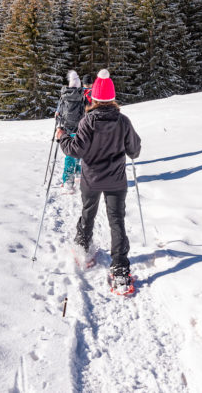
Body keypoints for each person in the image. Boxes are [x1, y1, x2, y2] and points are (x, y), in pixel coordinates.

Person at [57, 69, 141, 289]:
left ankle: (82, 249)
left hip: (91, 179)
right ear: (112, 98)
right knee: (117, 221)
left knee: (88, 213)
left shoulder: (88, 121)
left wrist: (62, 136)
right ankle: (120, 269)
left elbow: (75, 150)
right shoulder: (123, 121)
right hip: (116, 181)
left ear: (93, 97)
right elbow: (135, 151)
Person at [55, 70, 85, 187]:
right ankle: (78, 173)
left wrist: (58, 125)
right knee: (79, 151)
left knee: (69, 154)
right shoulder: (81, 96)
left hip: (66, 129)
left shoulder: (64, 96)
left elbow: (59, 111)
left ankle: (68, 181)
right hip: (79, 129)